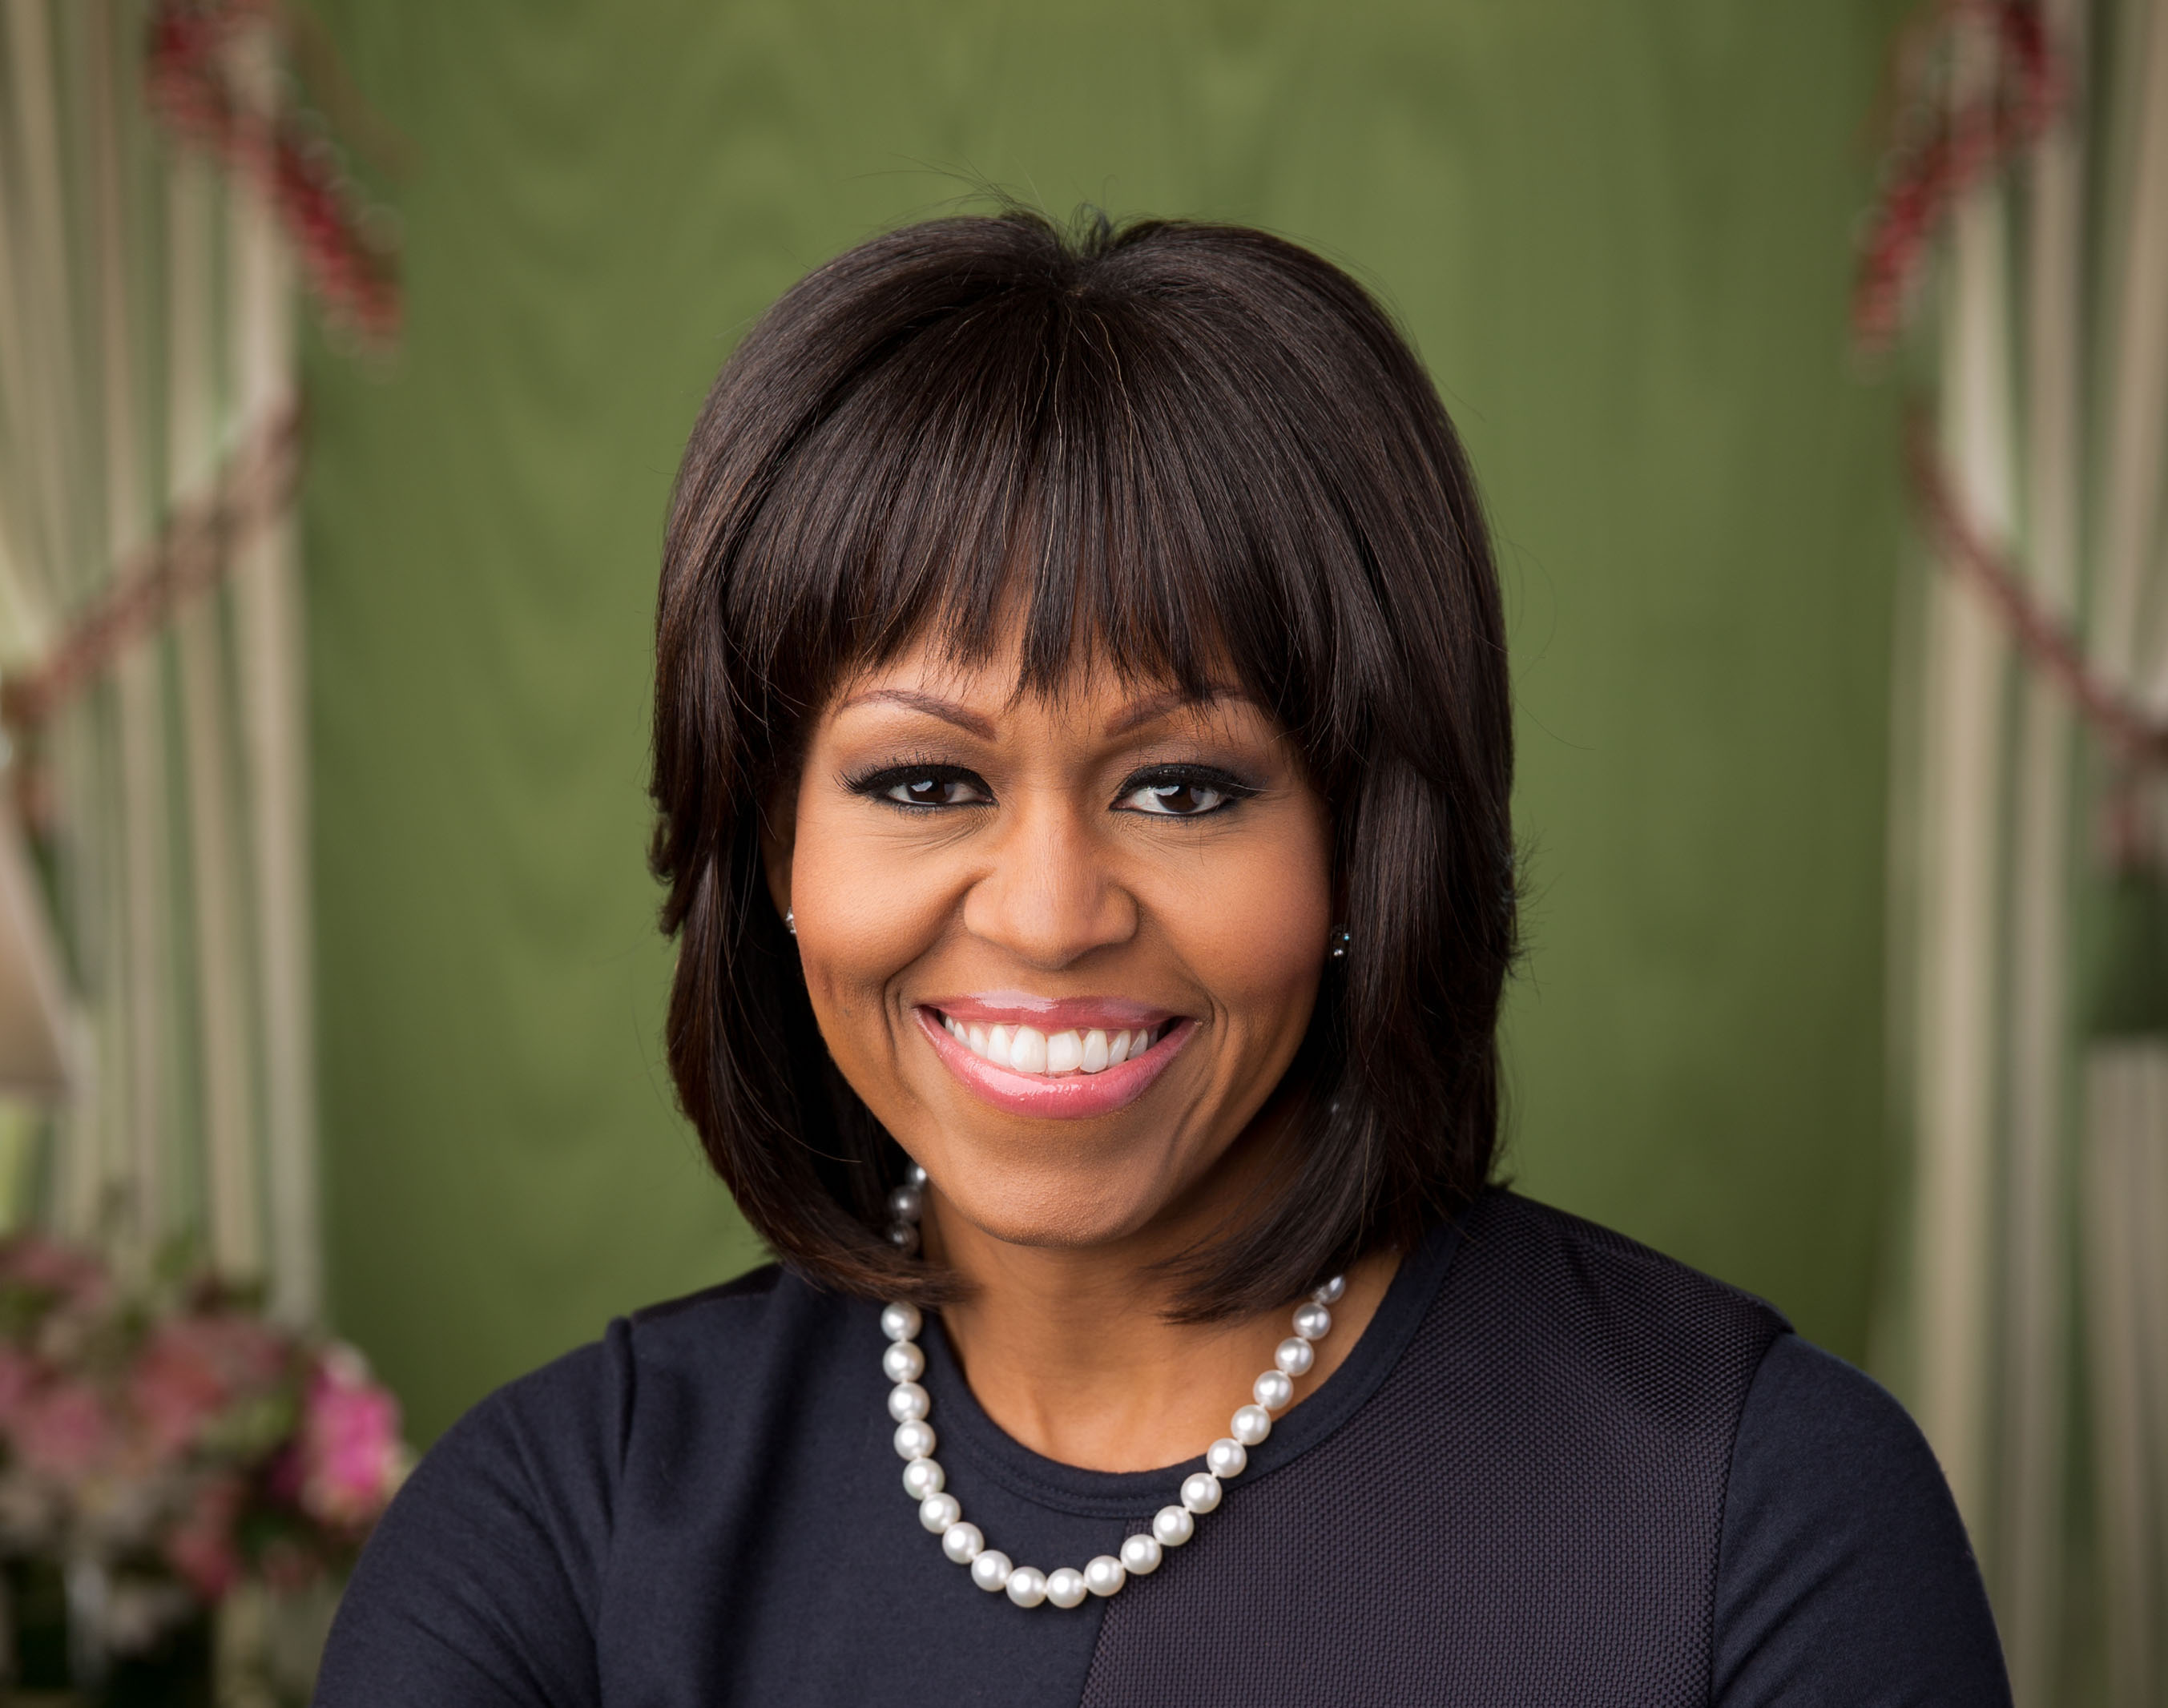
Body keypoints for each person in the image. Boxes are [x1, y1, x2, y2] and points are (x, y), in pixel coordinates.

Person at [314, 211, 2009, 1707]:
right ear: (773, 852)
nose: (1052, 915)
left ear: (1366, 839)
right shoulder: (556, 1530)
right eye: (924, 781)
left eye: (1184, 788)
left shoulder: (1761, 1509)